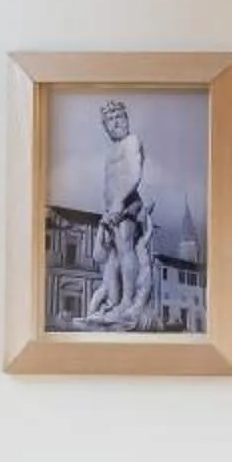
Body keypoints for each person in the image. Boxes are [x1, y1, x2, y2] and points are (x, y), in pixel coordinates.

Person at [86, 96, 154, 329]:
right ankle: (115, 303)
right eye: (110, 119)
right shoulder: (111, 151)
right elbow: (109, 181)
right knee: (112, 258)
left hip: (126, 203)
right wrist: (107, 210)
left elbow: (135, 174)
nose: (116, 122)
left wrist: (119, 201)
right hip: (111, 210)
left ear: (126, 119)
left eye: (119, 117)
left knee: (126, 250)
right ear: (105, 126)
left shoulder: (132, 141)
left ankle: (127, 302)